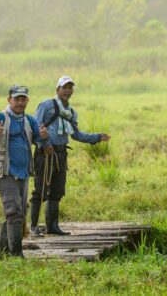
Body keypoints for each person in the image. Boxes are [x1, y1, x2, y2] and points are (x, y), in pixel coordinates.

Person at [30, 75, 111, 236]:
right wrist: (45, 145)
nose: (67, 91)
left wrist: (96, 137)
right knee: (40, 190)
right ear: (57, 89)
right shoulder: (47, 105)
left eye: (70, 87)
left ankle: (53, 227)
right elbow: (34, 127)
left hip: (61, 154)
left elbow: (76, 135)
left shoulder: (71, 112)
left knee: (57, 191)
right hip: (45, 154)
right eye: (64, 87)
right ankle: (33, 227)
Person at [0, 85, 48, 257]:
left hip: (23, 172)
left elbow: (39, 139)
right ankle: (16, 254)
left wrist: (44, 136)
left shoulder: (29, 120)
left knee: (18, 212)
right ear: (9, 100)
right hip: (5, 171)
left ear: (27, 101)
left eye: (23, 99)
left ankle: (4, 252)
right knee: (14, 211)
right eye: (16, 99)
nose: (19, 103)